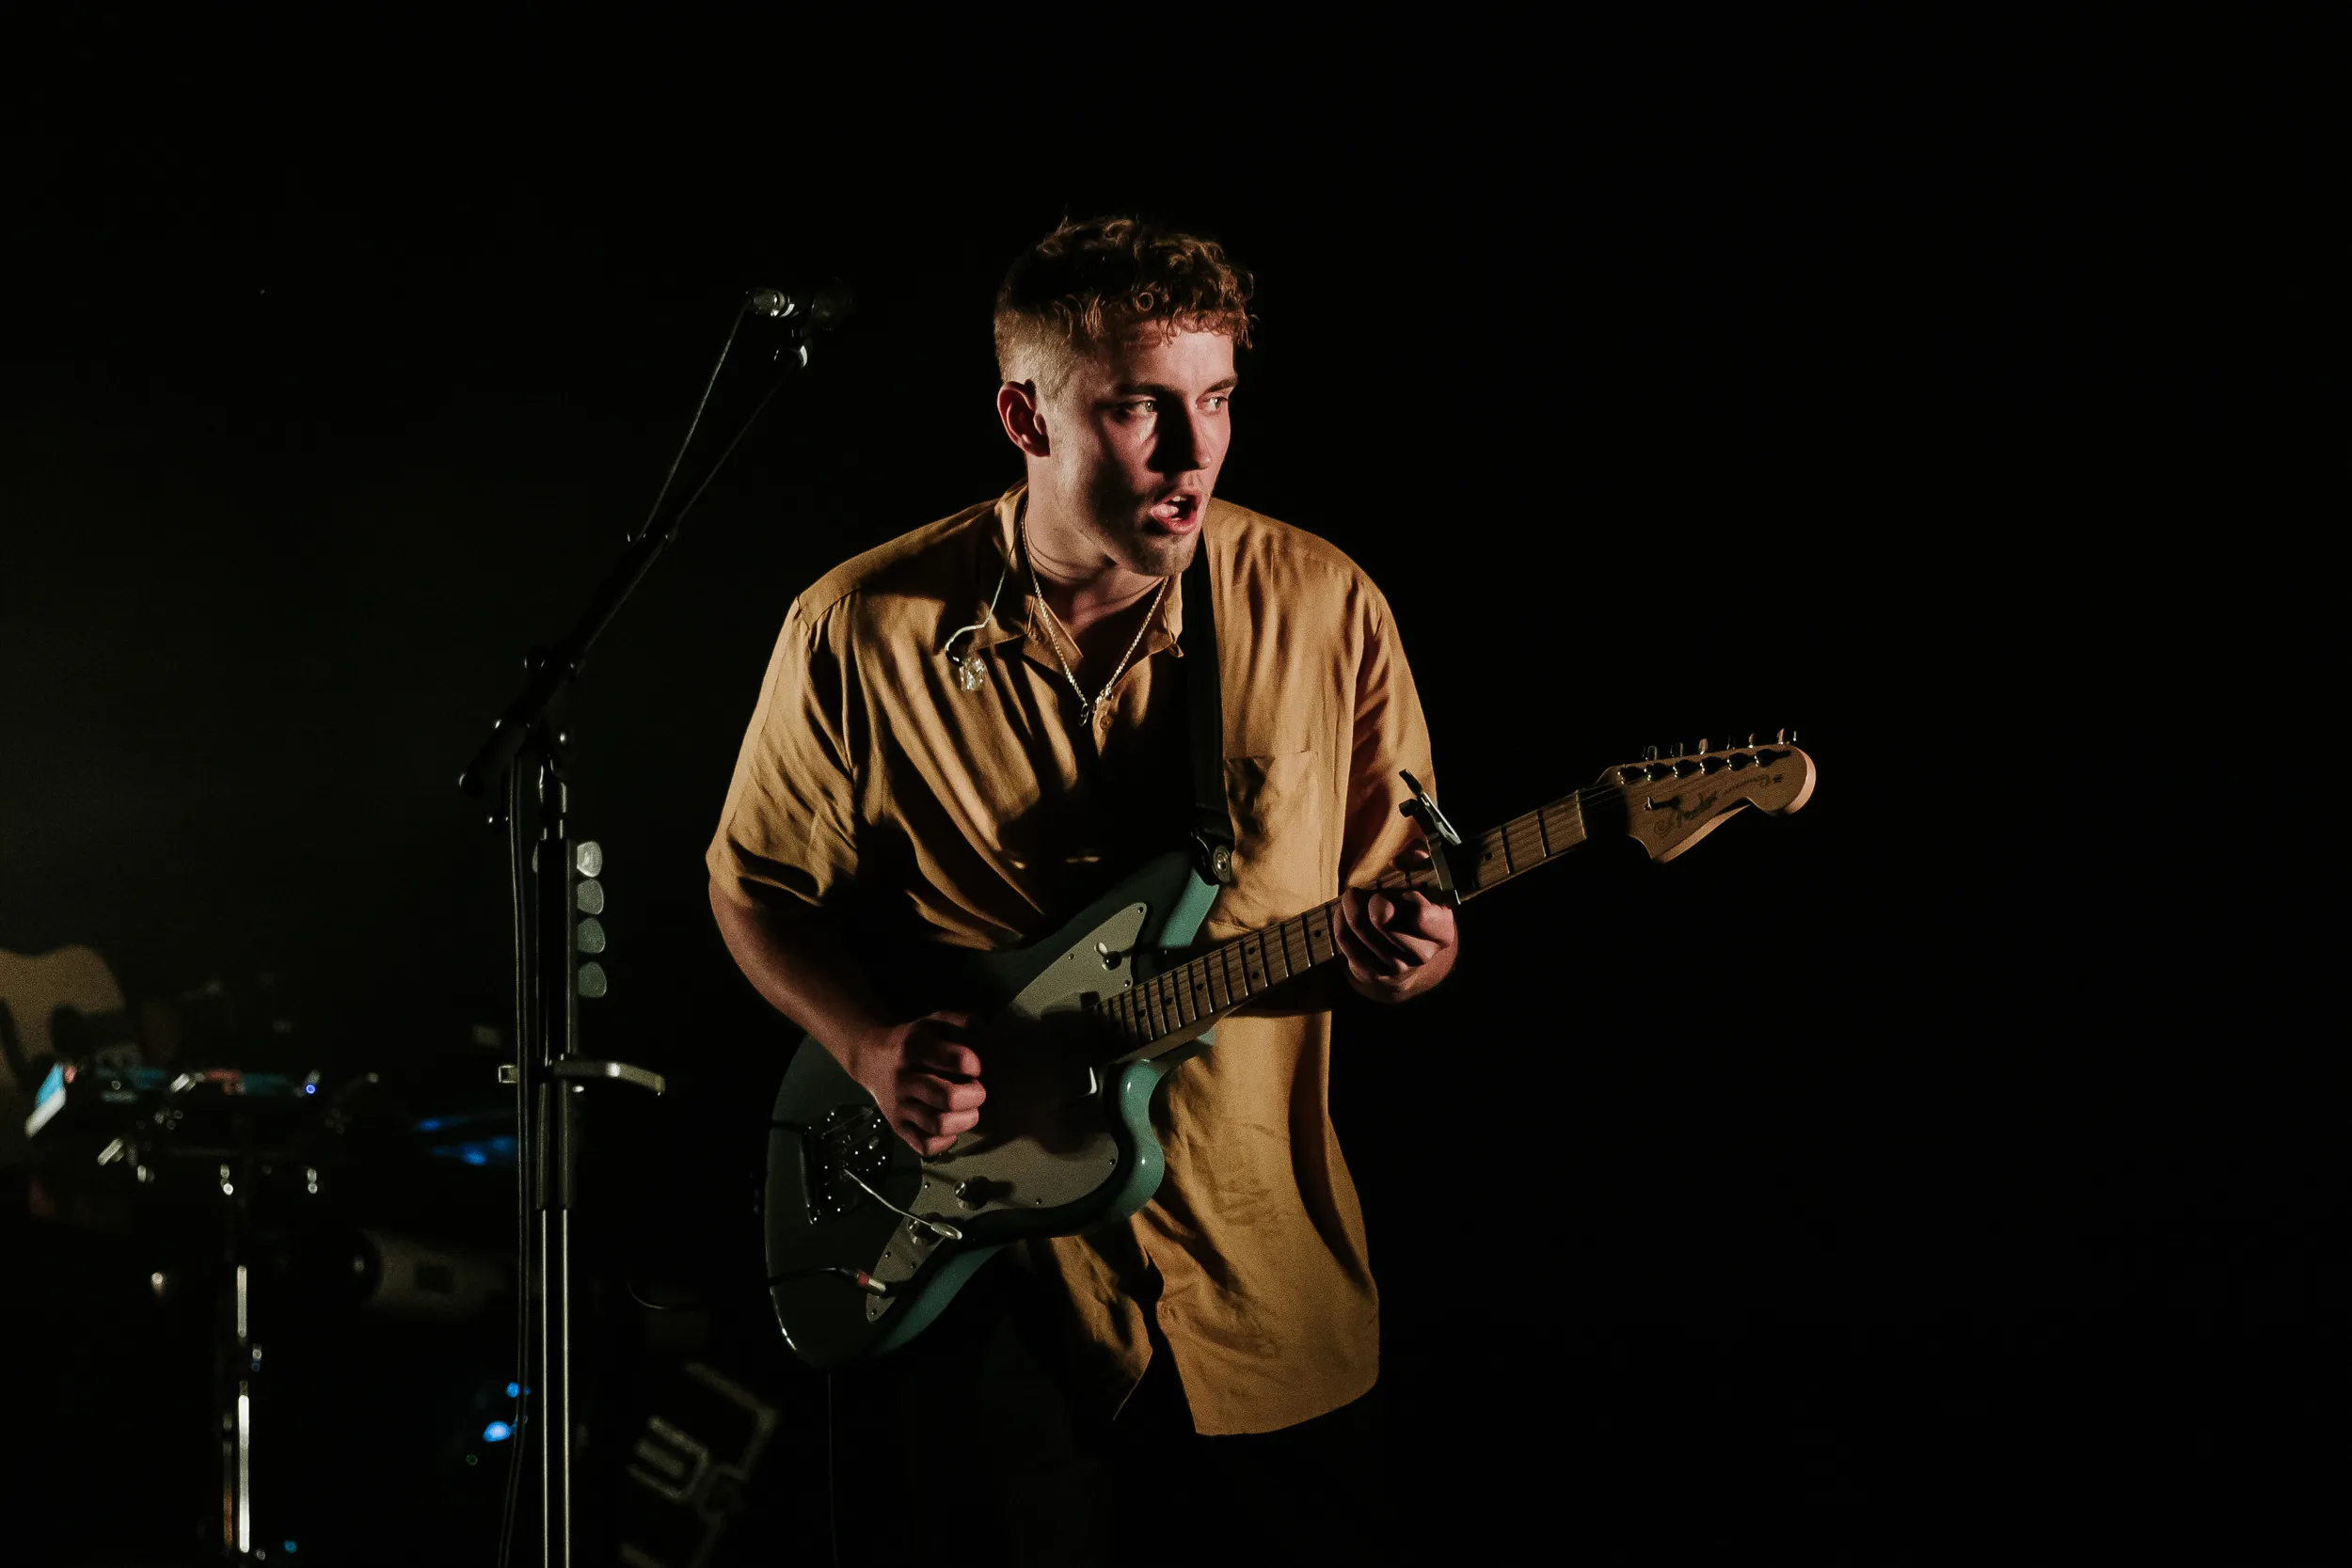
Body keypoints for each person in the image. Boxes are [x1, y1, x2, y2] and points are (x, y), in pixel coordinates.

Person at [707, 215, 1456, 1563]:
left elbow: (1405, 894)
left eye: (1217, 400)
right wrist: (871, 1048)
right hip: (991, 1293)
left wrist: (1417, 949)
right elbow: (752, 886)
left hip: (1262, 1287)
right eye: (1139, 410)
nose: (1195, 453)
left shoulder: (1326, 605)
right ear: (1025, 414)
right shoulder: (858, 626)